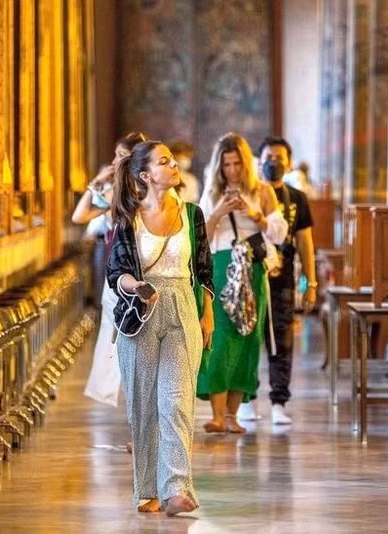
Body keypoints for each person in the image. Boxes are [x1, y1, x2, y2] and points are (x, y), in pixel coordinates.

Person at [107, 140, 214, 515]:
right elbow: (116, 273)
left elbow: (204, 270)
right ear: (145, 175)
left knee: (177, 401)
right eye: (164, 162)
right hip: (143, 311)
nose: (173, 166)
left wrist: (207, 315)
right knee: (144, 405)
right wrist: (137, 286)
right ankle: (148, 489)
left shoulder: (192, 214)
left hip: (182, 307)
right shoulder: (128, 218)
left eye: (172, 160)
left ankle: (177, 489)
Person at [196, 133, 288, 433]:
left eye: (237, 164)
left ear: (246, 163)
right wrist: (218, 212)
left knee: (248, 339)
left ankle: (232, 416)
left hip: (252, 270)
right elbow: (200, 238)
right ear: (219, 166)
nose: (232, 170)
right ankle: (217, 415)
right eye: (226, 165)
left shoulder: (262, 190)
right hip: (221, 267)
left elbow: (279, 234)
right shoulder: (212, 193)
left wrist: (255, 215)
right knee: (220, 339)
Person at [238, 135, 316, 425]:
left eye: (279, 159)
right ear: (258, 162)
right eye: (268, 158)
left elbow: (305, 241)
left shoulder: (297, 198)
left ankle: (279, 402)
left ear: (289, 163)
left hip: (283, 277)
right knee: (247, 337)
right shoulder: (248, 194)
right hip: (250, 275)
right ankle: (246, 398)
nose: (274, 163)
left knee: (282, 340)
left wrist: (311, 283)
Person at [77, 133, 146, 419]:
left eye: (121, 156)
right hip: (117, 273)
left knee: (139, 341)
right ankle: (130, 403)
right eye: (116, 154)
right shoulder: (113, 192)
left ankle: (139, 405)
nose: (115, 160)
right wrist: (97, 181)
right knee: (116, 335)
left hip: (143, 270)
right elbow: (80, 216)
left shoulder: (145, 193)